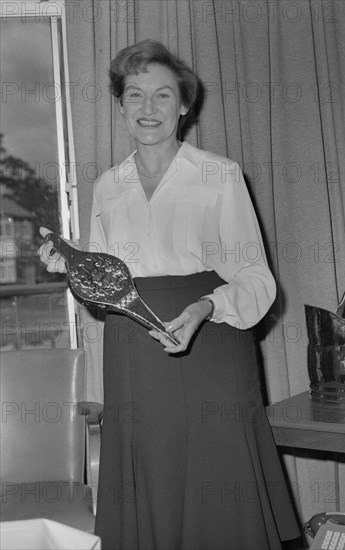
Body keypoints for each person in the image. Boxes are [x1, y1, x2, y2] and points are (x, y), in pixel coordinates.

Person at [39, 39, 300, 550]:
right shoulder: (107, 185)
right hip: (134, 353)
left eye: (162, 95)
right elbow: (103, 291)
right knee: (148, 482)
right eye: (135, 95)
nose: (148, 108)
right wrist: (72, 269)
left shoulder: (219, 175)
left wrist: (206, 307)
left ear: (184, 105)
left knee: (219, 483)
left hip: (211, 347)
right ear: (120, 106)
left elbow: (256, 278)